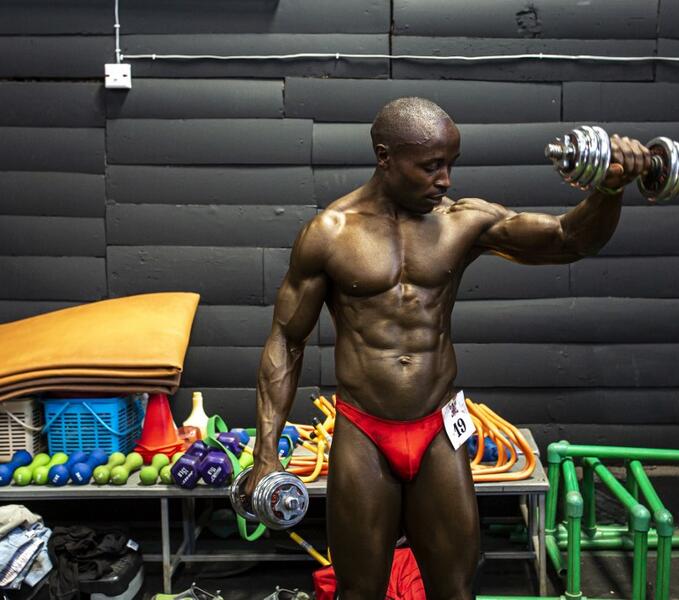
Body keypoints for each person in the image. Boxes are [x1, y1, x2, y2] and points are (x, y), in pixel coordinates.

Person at [247, 97, 651, 599]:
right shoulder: (330, 234)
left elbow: (568, 239)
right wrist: (266, 453)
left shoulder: (463, 221)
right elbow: (287, 340)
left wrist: (609, 189)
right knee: (359, 590)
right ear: (384, 156)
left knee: (457, 588)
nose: (445, 180)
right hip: (364, 432)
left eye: (450, 164)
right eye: (431, 166)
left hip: (438, 427)